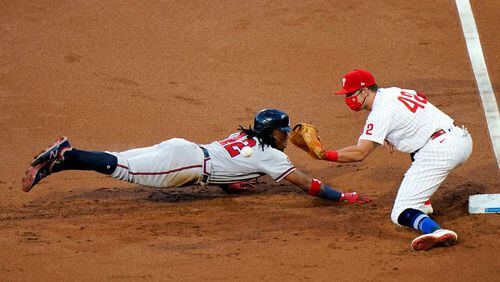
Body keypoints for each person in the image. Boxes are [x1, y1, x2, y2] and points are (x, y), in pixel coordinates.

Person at [22, 109, 370, 205]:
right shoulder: (272, 158)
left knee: (117, 159)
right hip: (185, 166)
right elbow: (307, 185)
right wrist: (342, 196)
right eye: (284, 131)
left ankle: (59, 162)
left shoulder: (243, 137)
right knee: (122, 169)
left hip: (183, 149)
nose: (287, 136)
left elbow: (234, 164)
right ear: (272, 133)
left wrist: (230, 186)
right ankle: (68, 153)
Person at [319, 69, 473, 251]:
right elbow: (417, 104)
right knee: (416, 145)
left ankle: (437, 231)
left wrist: (323, 155)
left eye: (351, 94)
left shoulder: (380, 113)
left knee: (400, 213)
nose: (347, 99)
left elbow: (360, 153)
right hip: (461, 139)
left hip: (440, 152)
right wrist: (390, 135)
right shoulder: (394, 91)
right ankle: (424, 203)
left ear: (365, 91)